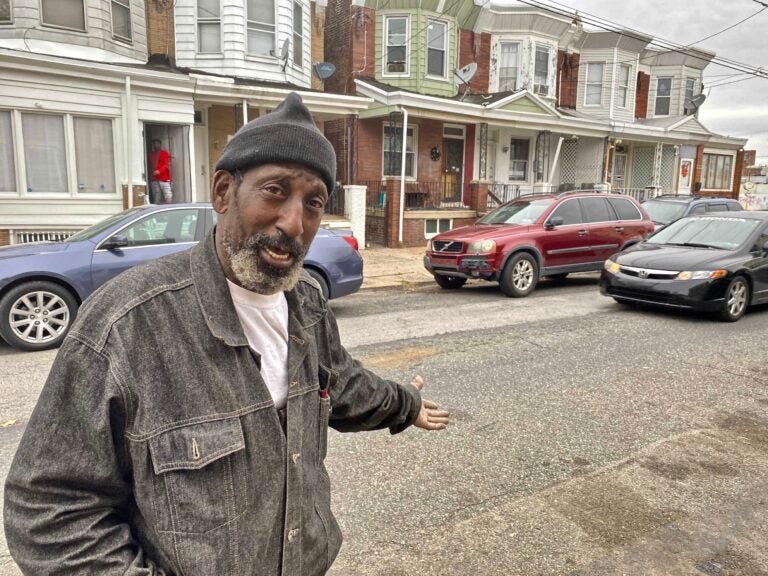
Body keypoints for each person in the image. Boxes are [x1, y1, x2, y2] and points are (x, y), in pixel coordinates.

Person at [3, 92, 449, 576]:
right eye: (275, 191)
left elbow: (340, 384)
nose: (294, 223)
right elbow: (49, 511)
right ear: (222, 192)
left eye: (313, 203)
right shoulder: (124, 324)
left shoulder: (308, 306)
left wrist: (405, 404)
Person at [148, 138, 172, 203]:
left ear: (160, 145)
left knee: (168, 196)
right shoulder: (151, 155)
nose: (155, 145)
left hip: (164, 179)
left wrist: (159, 171)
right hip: (154, 179)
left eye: (157, 143)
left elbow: (166, 165)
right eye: (154, 144)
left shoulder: (164, 154)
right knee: (156, 197)